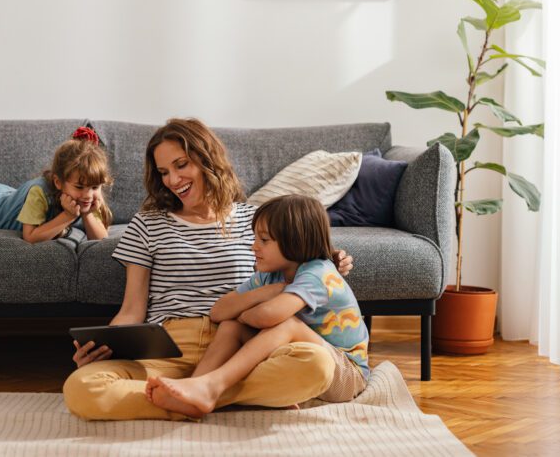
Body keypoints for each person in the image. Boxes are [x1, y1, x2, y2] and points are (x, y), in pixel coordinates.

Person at [63, 117, 354, 421]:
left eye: (181, 165)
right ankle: (222, 397)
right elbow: (133, 309)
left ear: (207, 159)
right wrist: (106, 345)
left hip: (240, 346)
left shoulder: (255, 221)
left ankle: (198, 394)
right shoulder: (147, 223)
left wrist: (329, 260)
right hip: (168, 347)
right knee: (82, 387)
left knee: (317, 364)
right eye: (164, 172)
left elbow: (297, 268)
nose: (173, 180)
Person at [144, 194, 369, 418]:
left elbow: (269, 316)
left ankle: (214, 386)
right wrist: (269, 291)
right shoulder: (269, 277)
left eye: (264, 240)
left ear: (295, 240)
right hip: (300, 356)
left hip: (345, 374)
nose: (254, 247)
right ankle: (196, 386)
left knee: (288, 324)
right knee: (231, 326)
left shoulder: (318, 273)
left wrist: (246, 313)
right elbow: (219, 312)